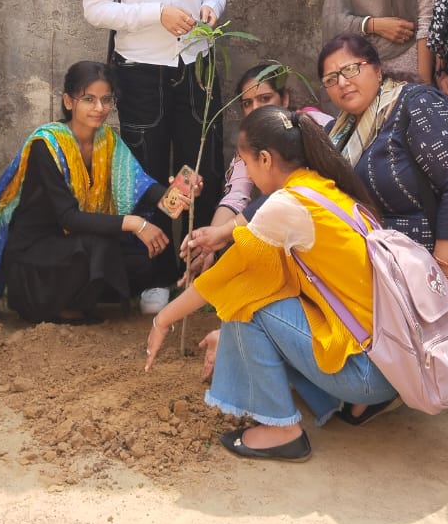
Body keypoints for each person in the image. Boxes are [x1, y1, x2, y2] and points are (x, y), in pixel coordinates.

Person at [145, 106, 400, 461]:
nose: (247, 173)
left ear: (265, 159)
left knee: (245, 302)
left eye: (246, 164)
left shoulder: (285, 205)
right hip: (390, 362)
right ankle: (335, 400)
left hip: (368, 373)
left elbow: (227, 278)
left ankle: (281, 431)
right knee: (255, 296)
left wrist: (163, 319)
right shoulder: (319, 187)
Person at [82, 0, 227, 314]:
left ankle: (198, 268)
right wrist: (155, 14)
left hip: (197, 69)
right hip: (141, 71)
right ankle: (156, 275)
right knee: (149, 172)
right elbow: (95, 8)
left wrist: (211, 8)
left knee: (196, 168)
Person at [0, 61, 179, 326]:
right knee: (103, 244)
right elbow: (68, 218)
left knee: (141, 261)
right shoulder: (46, 146)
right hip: (36, 255)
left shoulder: (106, 140)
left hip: (75, 246)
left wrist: (175, 196)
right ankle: (53, 307)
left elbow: (138, 184)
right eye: (89, 99)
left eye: (106, 99)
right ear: (69, 102)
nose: (99, 108)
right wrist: (136, 223)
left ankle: (77, 300)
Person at [319, 33, 448, 313]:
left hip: (442, 273)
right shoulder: (336, 135)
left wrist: (444, 268)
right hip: (385, 277)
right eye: (331, 79)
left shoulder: (415, 104)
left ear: (378, 70)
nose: (342, 82)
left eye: (350, 69)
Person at [182, 62, 332, 274]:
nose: (255, 109)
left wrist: (221, 234)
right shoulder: (249, 146)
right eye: (247, 103)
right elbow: (235, 197)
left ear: (285, 98)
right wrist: (210, 243)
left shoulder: (315, 124)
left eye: (265, 98)